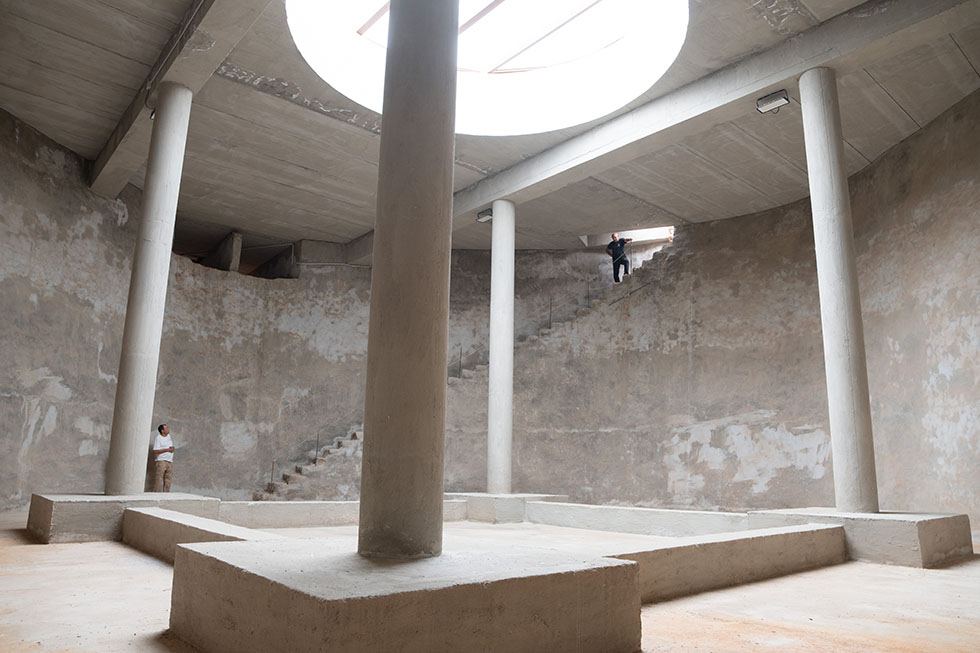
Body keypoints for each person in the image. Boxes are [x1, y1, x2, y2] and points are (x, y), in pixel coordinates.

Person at [152, 424, 175, 492]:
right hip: (161, 461)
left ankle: (166, 494)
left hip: (169, 461)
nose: (168, 429)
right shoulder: (158, 438)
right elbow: (155, 451)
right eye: (166, 428)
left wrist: (172, 449)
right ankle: (156, 494)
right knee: (159, 479)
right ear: (162, 431)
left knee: (168, 479)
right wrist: (167, 450)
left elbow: (170, 447)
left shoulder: (168, 436)